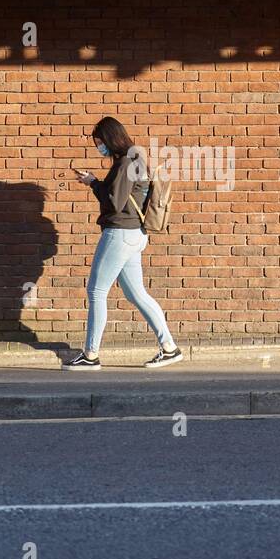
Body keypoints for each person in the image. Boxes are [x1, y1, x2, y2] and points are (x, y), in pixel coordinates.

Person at [63, 117, 181, 370]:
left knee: (96, 291)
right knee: (136, 293)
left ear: (110, 138)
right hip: (134, 235)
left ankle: (90, 355)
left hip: (120, 233)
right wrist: (95, 181)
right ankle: (169, 348)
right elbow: (120, 195)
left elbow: (113, 203)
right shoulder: (133, 159)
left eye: (100, 143)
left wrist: (93, 182)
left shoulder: (126, 161)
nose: (99, 148)